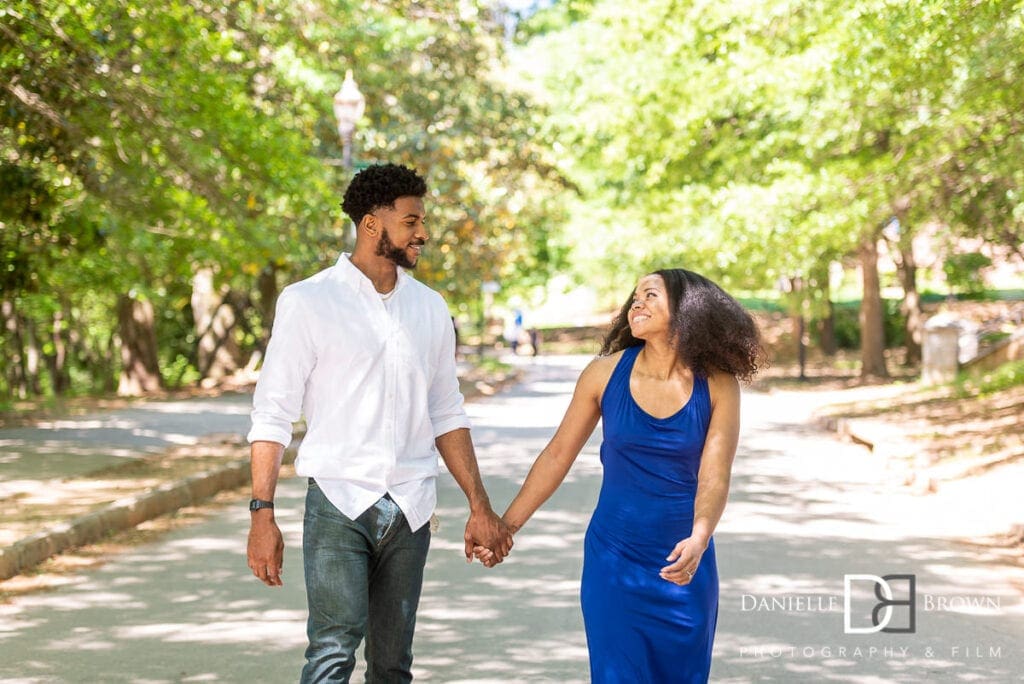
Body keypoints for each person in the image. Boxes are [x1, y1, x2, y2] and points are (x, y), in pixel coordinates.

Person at [246, 163, 513, 683]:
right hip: (338, 500)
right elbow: (273, 413)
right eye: (411, 221)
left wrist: (480, 506)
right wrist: (262, 514)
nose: (423, 233)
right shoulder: (308, 301)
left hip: (411, 507)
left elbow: (446, 411)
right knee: (331, 653)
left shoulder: (430, 308)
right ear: (372, 224)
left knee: (393, 666)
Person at [476, 268, 763, 683]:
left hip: (683, 563)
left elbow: (715, 474)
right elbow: (557, 455)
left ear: (687, 311)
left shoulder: (717, 384)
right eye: (635, 296)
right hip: (614, 561)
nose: (637, 303)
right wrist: (507, 526)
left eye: (651, 295)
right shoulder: (603, 374)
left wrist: (700, 537)